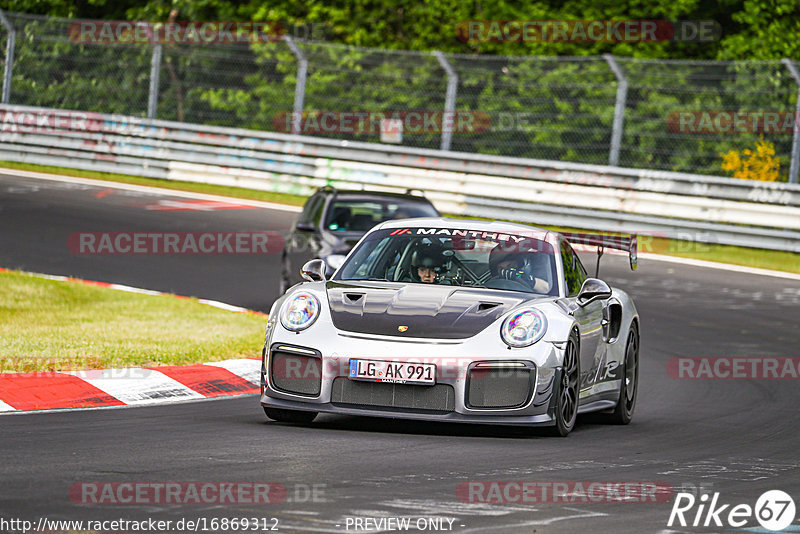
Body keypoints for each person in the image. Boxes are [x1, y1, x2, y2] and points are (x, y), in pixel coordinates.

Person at [487, 243, 552, 293]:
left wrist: (524, 278)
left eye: (511, 265)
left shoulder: (540, 265)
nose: (507, 270)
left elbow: (546, 289)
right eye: (500, 269)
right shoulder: (491, 283)